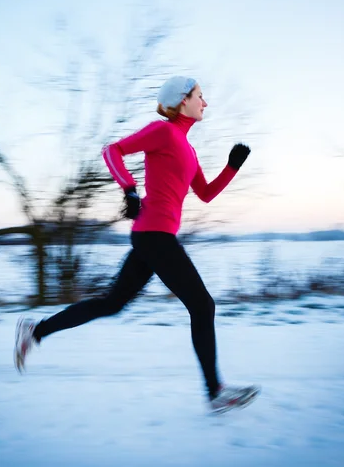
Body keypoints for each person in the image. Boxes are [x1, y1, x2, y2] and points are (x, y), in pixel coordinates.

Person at [14, 76, 259, 413]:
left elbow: (205, 194)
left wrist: (232, 167)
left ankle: (35, 331)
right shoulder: (162, 131)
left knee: (112, 303)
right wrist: (129, 189)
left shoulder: (187, 148)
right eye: (200, 96)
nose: (206, 103)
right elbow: (112, 151)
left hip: (154, 236)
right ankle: (215, 391)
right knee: (202, 306)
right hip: (154, 235)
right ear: (181, 100)